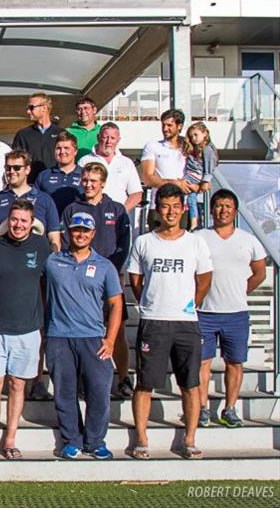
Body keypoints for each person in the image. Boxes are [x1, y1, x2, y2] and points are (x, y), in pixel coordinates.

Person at [127, 183, 213, 460]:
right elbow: (136, 280)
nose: (171, 212)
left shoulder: (196, 242)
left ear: (184, 209)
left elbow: (204, 279)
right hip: (154, 321)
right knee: (145, 384)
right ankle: (141, 437)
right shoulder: (144, 242)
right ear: (157, 209)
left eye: (176, 206)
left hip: (186, 322)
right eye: (166, 206)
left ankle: (189, 438)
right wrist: (150, 303)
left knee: (190, 384)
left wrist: (191, 304)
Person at [45, 212, 123, 460]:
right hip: (59, 337)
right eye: (76, 229)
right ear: (69, 232)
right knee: (64, 393)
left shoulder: (105, 266)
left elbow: (116, 304)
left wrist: (110, 340)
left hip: (93, 338)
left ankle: (95, 441)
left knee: (98, 392)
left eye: (85, 230)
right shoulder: (53, 262)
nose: (80, 234)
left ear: (93, 234)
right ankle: (71, 440)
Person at [0, 200, 50, 460]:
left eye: (24, 220)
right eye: (14, 219)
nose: (18, 225)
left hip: (27, 329)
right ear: (8, 220)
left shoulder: (42, 247)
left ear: (32, 223)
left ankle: (10, 438)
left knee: (18, 385)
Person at [61, 162, 133, 397]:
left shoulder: (117, 209)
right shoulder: (72, 208)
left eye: (93, 181)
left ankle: (123, 378)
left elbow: (124, 244)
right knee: (83, 331)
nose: (88, 184)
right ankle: (84, 380)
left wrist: (112, 271)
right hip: (80, 281)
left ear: (103, 183)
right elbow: (64, 243)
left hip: (109, 278)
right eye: (85, 180)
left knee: (118, 330)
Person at [197, 189, 266, 428]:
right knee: (202, 362)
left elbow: (259, 273)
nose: (223, 210)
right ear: (211, 209)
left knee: (235, 362)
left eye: (228, 206)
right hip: (204, 312)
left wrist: (240, 290)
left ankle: (230, 408)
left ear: (235, 211)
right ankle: (202, 408)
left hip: (236, 313)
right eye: (218, 206)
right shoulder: (199, 237)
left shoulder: (248, 240)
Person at [0, 149, 60, 252]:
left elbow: (54, 238)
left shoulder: (44, 200)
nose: (11, 172)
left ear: (27, 169)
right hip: (2, 259)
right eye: (8, 168)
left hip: (34, 260)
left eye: (17, 168)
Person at [140, 109, 191, 230]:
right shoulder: (152, 146)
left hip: (183, 207)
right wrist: (174, 183)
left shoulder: (188, 147)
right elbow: (148, 178)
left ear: (180, 126)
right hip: (157, 206)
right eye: (163, 125)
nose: (165, 129)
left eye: (169, 125)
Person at [78, 122, 142, 212]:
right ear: (98, 137)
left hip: (119, 219)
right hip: (91, 215)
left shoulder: (127, 163)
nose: (108, 141)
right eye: (105, 137)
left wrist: (121, 212)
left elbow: (136, 193)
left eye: (112, 138)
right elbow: (79, 190)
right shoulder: (84, 161)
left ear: (118, 140)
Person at [12, 93, 65, 182]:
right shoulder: (23, 135)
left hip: (56, 185)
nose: (28, 111)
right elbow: (16, 162)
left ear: (44, 108)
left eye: (31, 107)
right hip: (31, 185)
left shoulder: (61, 134)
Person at [35, 131, 83, 216]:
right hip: (50, 226)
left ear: (75, 151)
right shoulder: (44, 176)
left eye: (66, 148)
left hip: (77, 225)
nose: (62, 152)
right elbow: (35, 202)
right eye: (58, 148)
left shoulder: (85, 175)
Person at [184, 122, 218, 230]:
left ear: (204, 133)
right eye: (191, 136)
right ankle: (194, 220)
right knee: (191, 198)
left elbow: (209, 167)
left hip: (195, 176)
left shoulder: (207, 149)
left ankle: (194, 221)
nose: (194, 138)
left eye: (196, 135)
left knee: (188, 197)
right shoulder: (195, 149)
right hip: (193, 175)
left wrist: (205, 181)